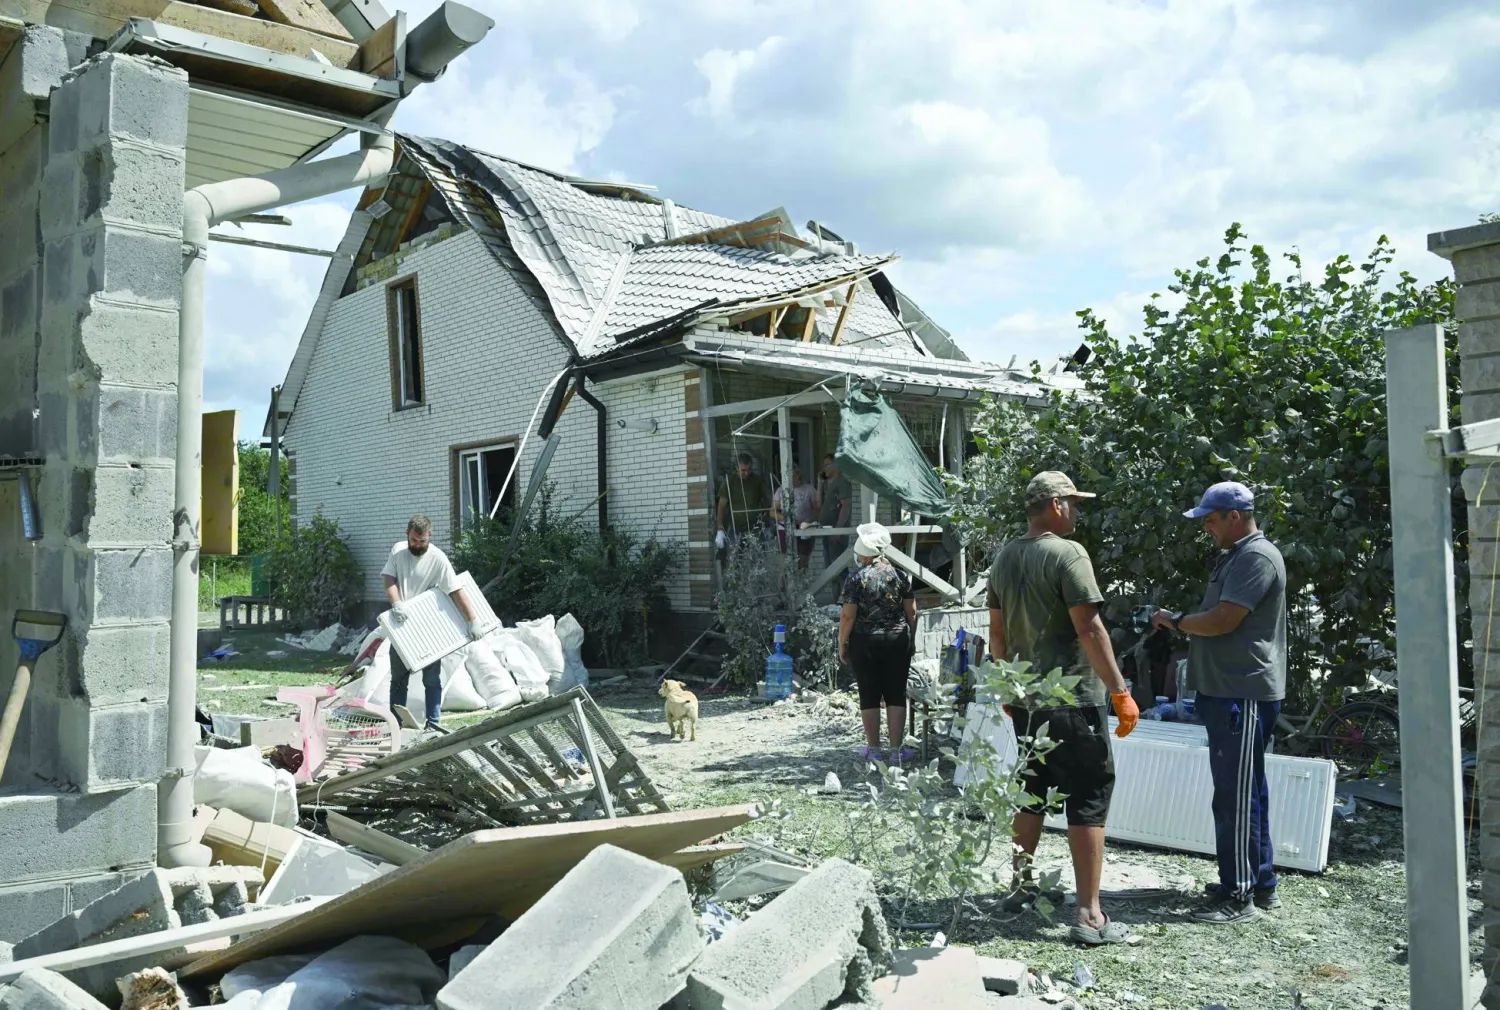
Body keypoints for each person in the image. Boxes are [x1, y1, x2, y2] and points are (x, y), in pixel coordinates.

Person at [987, 471, 1140, 946]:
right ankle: (1090, 914)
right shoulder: (1068, 554)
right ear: (1054, 505)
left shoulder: (1005, 558)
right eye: (1073, 503)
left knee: (1031, 790)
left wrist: (1009, 689)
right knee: (1089, 797)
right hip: (1073, 700)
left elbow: (997, 634)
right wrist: (1120, 690)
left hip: (1030, 700)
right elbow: (1090, 630)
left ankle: (1020, 886)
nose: (1077, 511)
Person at [1152, 481, 1287, 925]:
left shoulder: (1256, 557)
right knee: (1244, 790)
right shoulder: (1235, 556)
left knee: (1236, 796)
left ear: (1234, 515)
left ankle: (1240, 895)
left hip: (1241, 692)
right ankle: (1255, 882)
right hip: (1227, 691)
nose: (1206, 527)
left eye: (1210, 519)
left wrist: (1176, 621)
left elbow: (1224, 620)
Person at [381, 514, 482, 729]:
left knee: (431, 678)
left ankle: (433, 724)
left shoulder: (438, 558)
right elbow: (389, 579)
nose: (417, 545)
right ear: (407, 535)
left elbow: (455, 590)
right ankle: (395, 723)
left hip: (428, 628)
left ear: (430, 536)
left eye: (422, 541)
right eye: (414, 540)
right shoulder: (398, 551)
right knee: (398, 678)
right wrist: (396, 603)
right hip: (401, 624)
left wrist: (473, 621)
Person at [837, 523, 917, 763]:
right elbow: (912, 611)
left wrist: (842, 642)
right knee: (895, 693)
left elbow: (848, 616)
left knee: (869, 693)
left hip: (865, 642)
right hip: (896, 639)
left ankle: (873, 750)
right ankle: (895, 751)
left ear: (862, 551)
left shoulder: (856, 579)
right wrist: (911, 637)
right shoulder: (900, 575)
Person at [716, 453, 770, 552]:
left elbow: (765, 501)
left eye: (749, 469)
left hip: (755, 526)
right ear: (737, 468)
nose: (747, 473)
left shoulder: (757, 480)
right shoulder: (730, 482)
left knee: (758, 557)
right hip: (736, 527)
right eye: (743, 470)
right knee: (736, 557)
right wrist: (720, 528)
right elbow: (722, 505)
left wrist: (766, 524)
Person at [771, 467, 819, 569]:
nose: (793, 478)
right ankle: (784, 583)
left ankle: (802, 583)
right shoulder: (781, 490)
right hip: (785, 527)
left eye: (795, 475)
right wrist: (784, 517)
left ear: (799, 475)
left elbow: (817, 509)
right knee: (785, 562)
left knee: (803, 560)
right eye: (790, 476)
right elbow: (772, 512)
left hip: (804, 528)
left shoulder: (809, 489)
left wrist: (809, 520)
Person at [817, 455, 853, 568]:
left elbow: (846, 506)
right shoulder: (830, 484)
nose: (824, 468)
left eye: (827, 465)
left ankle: (843, 586)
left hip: (836, 533)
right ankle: (835, 586)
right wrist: (820, 484)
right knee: (829, 567)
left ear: (836, 465)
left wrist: (838, 530)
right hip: (827, 530)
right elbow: (819, 504)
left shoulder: (842, 483)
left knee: (838, 567)